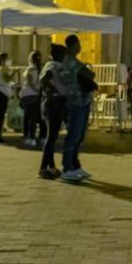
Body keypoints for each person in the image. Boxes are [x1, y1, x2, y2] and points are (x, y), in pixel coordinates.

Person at [59, 35, 94, 181]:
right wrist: (87, 68)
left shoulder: (69, 61)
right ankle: (67, 167)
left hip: (81, 100)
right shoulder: (72, 62)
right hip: (76, 101)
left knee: (79, 135)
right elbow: (90, 74)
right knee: (74, 135)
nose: (80, 47)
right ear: (73, 45)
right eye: (78, 44)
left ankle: (75, 165)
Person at [38, 43, 69, 179]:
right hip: (54, 103)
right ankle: (43, 168)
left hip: (52, 103)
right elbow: (44, 79)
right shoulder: (54, 66)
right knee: (51, 137)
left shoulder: (50, 65)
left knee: (52, 137)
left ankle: (50, 167)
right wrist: (51, 90)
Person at [19, 51, 46, 148]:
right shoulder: (42, 68)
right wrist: (39, 91)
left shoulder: (30, 69)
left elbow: (29, 81)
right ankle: (42, 137)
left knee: (30, 118)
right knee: (39, 117)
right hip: (38, 95)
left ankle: (31, 138)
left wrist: (35, 89)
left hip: (29, 95)